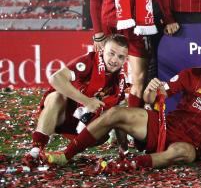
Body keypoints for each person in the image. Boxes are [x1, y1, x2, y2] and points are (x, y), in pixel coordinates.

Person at [46, 34, 201, 172]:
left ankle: (130, 164)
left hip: (193, 144)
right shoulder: (191, 75)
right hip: (164, 126)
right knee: (116, 113)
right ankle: (66, 155)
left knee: (185, 154)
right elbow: (151, 99)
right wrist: (150, 90)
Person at [24, 35, 130, 168]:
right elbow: (55, 78)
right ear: (103, 50)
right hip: (67, 116)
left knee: (116, 112)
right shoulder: (88, 61)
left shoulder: (120, 81)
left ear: (126, 59)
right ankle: (35, 152)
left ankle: (66, 155)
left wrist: (124, 153)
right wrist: (86, 101)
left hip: (91, 131)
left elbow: (120, 119)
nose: (114, 60)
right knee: (56, 97)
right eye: (111, 53)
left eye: (120, 57)